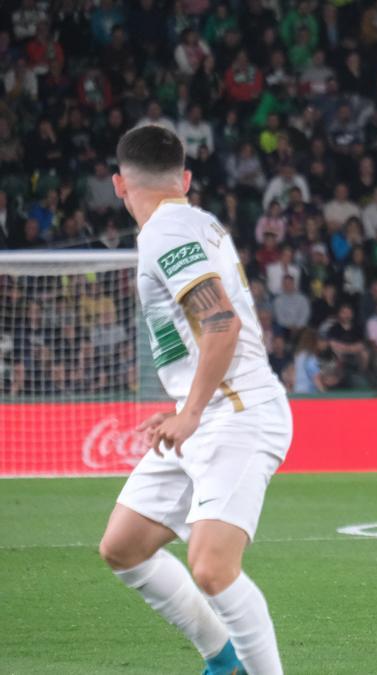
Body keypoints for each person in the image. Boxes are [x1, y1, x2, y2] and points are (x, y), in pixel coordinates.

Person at [97, 126, 289, 674]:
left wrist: (191, 410)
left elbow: (221, 322)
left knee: (212, 567)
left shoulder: (167, 231)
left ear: (118, 184)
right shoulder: (198, 222)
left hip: (240, 415)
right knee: (123, 546)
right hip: (210, 411)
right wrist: (187, 405)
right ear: (184, 178)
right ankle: (223, 660)